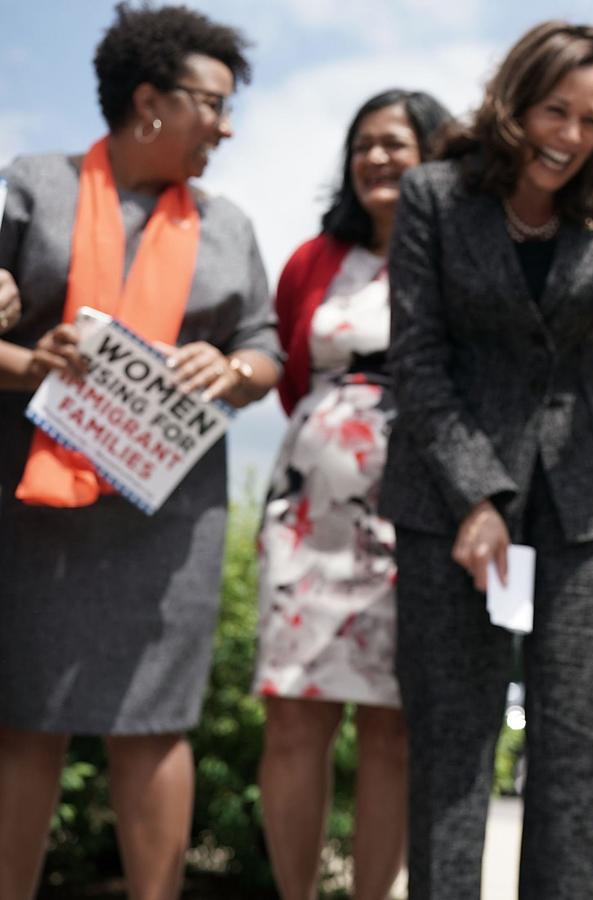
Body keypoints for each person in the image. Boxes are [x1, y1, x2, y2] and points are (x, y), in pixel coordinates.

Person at [381, 21, 593, 900]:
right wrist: (476, 497)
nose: (570, 136)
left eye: (592, 120)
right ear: (513, 102)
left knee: (578, 750)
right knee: (454, 746)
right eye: (555, 110)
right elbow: (418, 364)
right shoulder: (432, 196)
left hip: (587, 504)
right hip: (448, 509)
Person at [0, 4, 281, 897]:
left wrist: (233, 366)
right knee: (23, 720)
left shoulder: (228, 224)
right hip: (29, 502)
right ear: (150, 101)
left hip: (168, 513)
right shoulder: (30, 186)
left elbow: (268, 349)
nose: (227, 128)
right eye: (214, 104)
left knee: (154, 722)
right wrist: (26, 358)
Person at [253, 88, 451, 900]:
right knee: (295, 715)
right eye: (364, 143)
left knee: (392, 727)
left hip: (419, 512)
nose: (378, 157)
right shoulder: (313, 260)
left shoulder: (458, 254)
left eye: (397, 143)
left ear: (434, 154)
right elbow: (292, 371)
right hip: (309, 514)